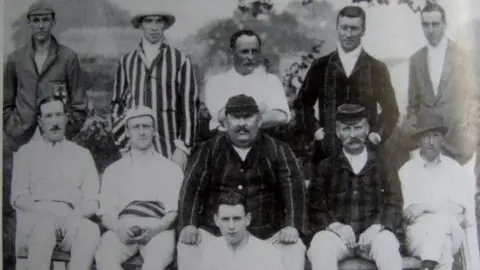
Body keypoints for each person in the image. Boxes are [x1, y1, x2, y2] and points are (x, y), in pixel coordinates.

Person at [177, 94, 307, 270]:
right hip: (216, 234)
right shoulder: (209, 149)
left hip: (266, 235)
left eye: (248, 117)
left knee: (294, 247)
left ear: (259, 120)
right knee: (188, 246)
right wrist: (188, 224)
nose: (242, 124)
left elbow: (294, 188)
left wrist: (292, 226)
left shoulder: (278, 149)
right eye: (236, 118)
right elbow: (192, 188)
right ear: (225, 122)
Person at [294, 5, 399, 164]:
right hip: (328, 154)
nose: (348, 34)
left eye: (354, 29)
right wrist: (316, 131)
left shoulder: (377, 68)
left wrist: (377, 135)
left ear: (363, 31)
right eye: (344, 28)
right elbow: (302, 104)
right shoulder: (320, 66)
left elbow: (391, 110)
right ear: (337, 28)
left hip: (367, 154)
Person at [307, 103, 403, 270]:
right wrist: (336, 226)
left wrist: (378, 226)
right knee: (320, 245)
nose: (353, 135)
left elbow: (394, 201)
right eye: (346, 129)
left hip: (373, 235)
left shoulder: (383, 163)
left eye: (358, 128)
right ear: (338, 132)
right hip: (338, 238)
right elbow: (315, 206)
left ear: (366, 129)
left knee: (387, 244)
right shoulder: (326, 166)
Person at [10, 96, 100, 270]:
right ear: (40, 121)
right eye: (49, 116)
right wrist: (45, 215)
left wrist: (75, 217)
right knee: (43, 230)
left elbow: (92, 199)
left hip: (72, 219)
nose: (55, 122)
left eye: (59, 115)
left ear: (66, 118)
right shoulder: (26, 153)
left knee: (91, 231)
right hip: (36, 216)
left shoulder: (82, 154)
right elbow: (19, 197)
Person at [95, 106, 183, 270]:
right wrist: (118, 229)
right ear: (127, 132)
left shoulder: (171, 168)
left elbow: (173, 212)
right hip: (123, 227)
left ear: (154, 130)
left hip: (158, 229)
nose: (142, 132)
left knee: (154, 265)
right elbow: (106, 213)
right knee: (104, 258)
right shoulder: (114, 170)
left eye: (146, 126)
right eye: (136, 127)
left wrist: (154, 229)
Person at [111, 7, 199, 170]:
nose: (154, 27)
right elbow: (117, 104)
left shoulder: (180, 60)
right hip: (133, 147)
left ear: (165, 25)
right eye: (149, 21)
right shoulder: (127, 62)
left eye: (159, 21)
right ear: (140, 25)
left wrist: (183, 148)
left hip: (169, 147)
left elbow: (190, 107)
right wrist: (123, 142)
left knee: (168, 192)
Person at [3, 1, 86, 151]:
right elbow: (5, 102)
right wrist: (12, 128)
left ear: (53, 22)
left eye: (45, 20)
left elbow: (79, 105)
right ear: (29, 23)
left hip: (58, 138)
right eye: (36, 20)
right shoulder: (15, 58)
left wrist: (64, 131)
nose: (41, 26)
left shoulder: (68, 57)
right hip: (23, 138)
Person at [399, 113, 478, 270]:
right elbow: (409, 213)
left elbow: (459, 209)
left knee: (441, 224)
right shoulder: (407, 171)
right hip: (418, 235)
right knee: (444, 249)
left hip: (452, 230)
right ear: (419, 140)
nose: (431, 142)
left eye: (436, 136)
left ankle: (428, 265)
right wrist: (443, 206)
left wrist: (425, 206)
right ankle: (429, 264)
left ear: (442, 139)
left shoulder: (453, 168)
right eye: (426, 137)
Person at [406, 3, 479, 168]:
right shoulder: (416, 59)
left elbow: (474, 100)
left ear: (445, 25)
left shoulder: (463, 56)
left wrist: (469, 137)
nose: (430, 30)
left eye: (435, 24)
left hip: (457, 146)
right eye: (425, 25)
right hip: (427, 147)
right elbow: (413, 105)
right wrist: (416, 141)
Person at [204, 29, 291, 133]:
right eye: (244, 52)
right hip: (226, 144)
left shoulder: (271, 80)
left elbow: (281, 116)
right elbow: (221, 117)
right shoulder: (216, 83)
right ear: (232, 53)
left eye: (254, 51)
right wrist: (261, 109)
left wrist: (238, 116)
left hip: (263, 143)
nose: (250, 57)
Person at [200, 191, 283, 270]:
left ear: (247, 219)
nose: (231, 226)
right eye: (225, 219)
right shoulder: (211, 250)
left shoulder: (267, 253)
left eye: (237, 219)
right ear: (216, 220)